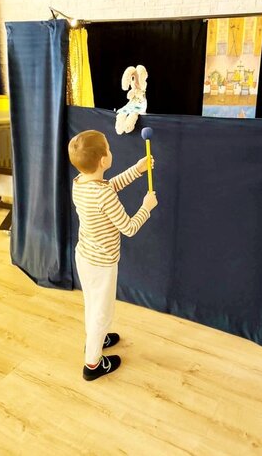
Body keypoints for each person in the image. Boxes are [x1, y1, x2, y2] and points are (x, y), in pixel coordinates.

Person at [68, 129, 158, 381]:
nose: (111, 150)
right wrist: (146, 207)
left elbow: (110, 186)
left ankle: (97, 338)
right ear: (103, 160)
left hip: (84, 256)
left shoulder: (80, 182)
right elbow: (128, 228)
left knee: (93, 304)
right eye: (108, 148)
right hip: (102, 264)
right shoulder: (103, 194)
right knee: (102, 312)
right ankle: (92, 363)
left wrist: (137, 169)